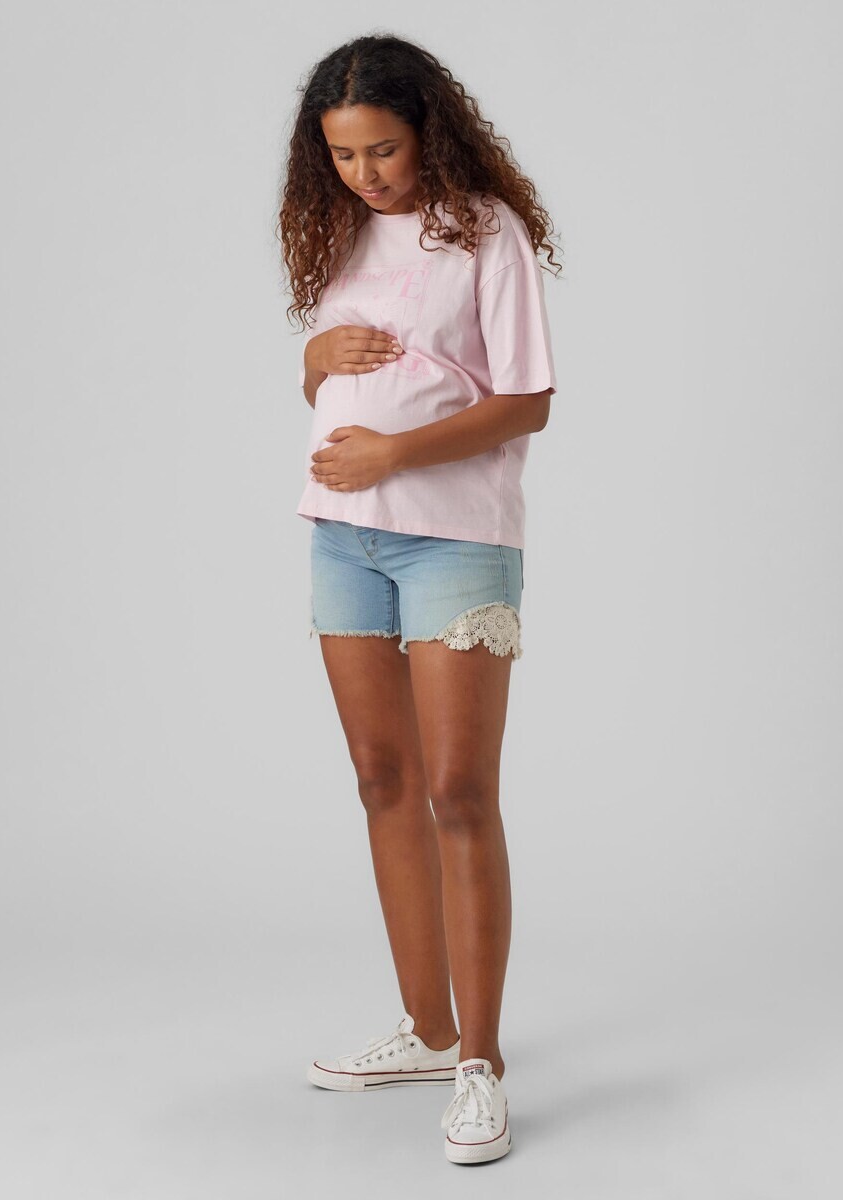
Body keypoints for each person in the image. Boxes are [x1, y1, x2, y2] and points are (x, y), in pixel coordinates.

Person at [277, 33, 561, 1166]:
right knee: (381, 780)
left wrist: (393, 454)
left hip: (454, 539)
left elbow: (527, 401)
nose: (365, 175)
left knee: (458, 791)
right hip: (340, 537)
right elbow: (332, 378)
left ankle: (481, 1063)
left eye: (383, 151)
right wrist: (315, 358)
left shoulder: (486, 231)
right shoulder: (337, 228)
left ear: (427, 131)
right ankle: (428, 1031)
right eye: (343, 155)